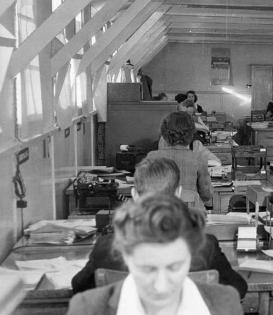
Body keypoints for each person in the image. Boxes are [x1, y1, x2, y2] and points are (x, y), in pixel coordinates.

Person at [71, 157, 247, 297]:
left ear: (134, 195)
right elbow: (238, 288)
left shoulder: (107, 246)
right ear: (178, 194)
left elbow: (78, 286)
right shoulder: (206, 245)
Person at [67, 193, 244, 315]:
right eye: (148, 269)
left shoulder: (226, 302)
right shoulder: (85, 308)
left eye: (175, 267)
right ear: (127, 257)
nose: (161, 286)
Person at [147, 112, 213, 209]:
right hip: (191, 216)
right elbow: (206, 195)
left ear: (164, 133)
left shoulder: (151, 158)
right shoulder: (198, 158)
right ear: (191, 133)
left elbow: (143, 192)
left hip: (160, 215)